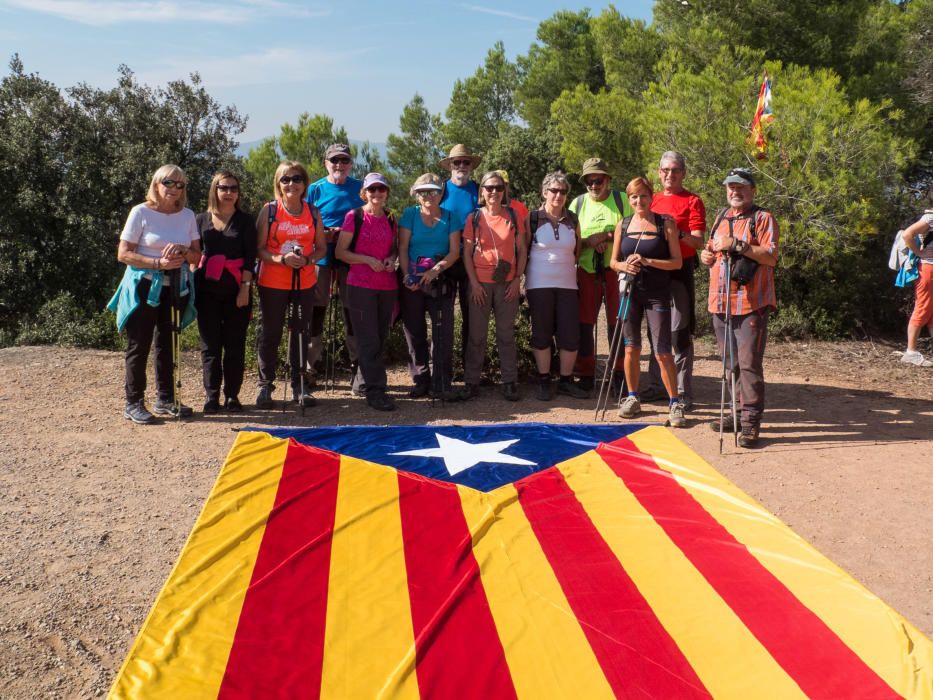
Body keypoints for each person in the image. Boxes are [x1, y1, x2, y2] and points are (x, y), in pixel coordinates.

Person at [109, 164, 201, 423]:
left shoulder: (188, 215)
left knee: (168, 344)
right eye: (168, 183)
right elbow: (123, 253)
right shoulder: (140, 212)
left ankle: (166, 398)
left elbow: (197, 255)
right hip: (144, 286)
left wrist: (183, 250)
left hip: (176, 287)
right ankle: (134, 401)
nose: (174, 189)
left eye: (180, 184)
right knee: (139, 344)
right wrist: (157, 264)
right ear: (156, 183)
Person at [699, 168, 779, 447]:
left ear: (752, 190)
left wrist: (738, 245)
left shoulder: (763, 218)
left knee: (748, 364)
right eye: (731, 187)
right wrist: (706, 255)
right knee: (729, 363)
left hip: (751, 303)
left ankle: (750, 422)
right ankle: (736, 413)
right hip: (719, 301)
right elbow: (710, 250)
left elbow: (770, 256)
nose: (735, 192)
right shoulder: (722, 217)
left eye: (741, 187)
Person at [610, 177, 685, 427]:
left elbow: (677, 262)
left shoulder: (666, 224)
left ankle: (674, 402)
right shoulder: (624, 224)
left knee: (662, 350)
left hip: (657, 294)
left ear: (651, 196)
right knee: (631, 347)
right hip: (630, 292)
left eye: (643, 195)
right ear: (629, 199)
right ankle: (632, 397)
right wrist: (625, 264)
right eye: (634, 196)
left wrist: (648, 262)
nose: (638, 200)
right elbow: (613, 263)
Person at [255, 161, 326, 409]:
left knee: (300, 333)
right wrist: (281, 259)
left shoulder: (313, 213)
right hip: (273, 281)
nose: (291, 184)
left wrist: (307, 259)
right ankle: (265, 386)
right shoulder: (270, 211)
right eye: (285, 179)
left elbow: (321, 249)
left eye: (296, 179)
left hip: (304, 282)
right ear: (278, 183)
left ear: (304, 183)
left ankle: (299, 384)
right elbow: (259, 249)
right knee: (270, 333)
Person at [641, 151, 707, 408]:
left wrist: (675, 232)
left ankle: (682, 392)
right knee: (655, 331)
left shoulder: (693, 201)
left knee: (679, 331)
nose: (670, 174)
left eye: (675, 170)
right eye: (665, 170)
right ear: (659, 173)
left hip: (680, 271)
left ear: (683, 173)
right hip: (654, 270)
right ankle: (657, 386)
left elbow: (698, 241)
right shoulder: (652, 200)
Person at [461, 171, 528, 401]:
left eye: (498, 188)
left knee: (506, 334)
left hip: (507, 284)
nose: (493, 192)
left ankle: (509, 381)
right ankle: (472, 382)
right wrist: (474, 283)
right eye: (489, 187)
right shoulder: (474, 218)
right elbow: (467, 254)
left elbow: (522, 249)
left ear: (504, 191)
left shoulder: (513, 216)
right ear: (482, 191)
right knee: (476, 336)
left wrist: (518, 278)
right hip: (480, 284)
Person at [194, 171, 257, 414]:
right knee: (210, 346)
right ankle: (211, 396)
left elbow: (250, 259)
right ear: (215, 190)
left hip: (236, 290)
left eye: (233, 188)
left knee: (234, 345)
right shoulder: (200, 220)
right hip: (206, 290)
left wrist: (245, 288)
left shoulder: (245, 221)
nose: (229, 192)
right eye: (224, 188)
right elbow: (194, 254)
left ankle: (232, 395)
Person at [336, 173, 399, 411]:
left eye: (381, 189)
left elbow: (394, 249)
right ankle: (376, 390)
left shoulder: (392, 218)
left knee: (380, 337)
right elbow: (341, 252)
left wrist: (391, 259)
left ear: (387, 193)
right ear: (364, 193)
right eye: (372, 190)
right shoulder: (355, 217)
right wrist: (367, 260)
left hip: (387, 286)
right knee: (367, 338)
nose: (376, 194)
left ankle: (367, 383)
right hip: (360, 285)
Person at [570, 157, 633, 393]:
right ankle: (585, 373)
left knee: (619, 323)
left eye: (598, 180)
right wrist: (588, 241)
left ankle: (620, 373)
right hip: (587, 271)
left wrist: (606, 237)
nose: (594, 185)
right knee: (585, 324)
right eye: (589, 181)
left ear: (608, 180)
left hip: (617, 272)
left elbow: (632, 228)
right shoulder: (576, 204)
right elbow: (572, 238)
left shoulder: (623, 201)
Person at [306, 143, 364, 390]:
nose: (339, 165)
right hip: (320, 255)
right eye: (334, 160)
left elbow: (368, 219)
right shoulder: (314, 189)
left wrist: (346, 233)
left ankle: (358, 368)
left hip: (351, 256)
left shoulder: (360, 188)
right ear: (326, 163)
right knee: (316, 310)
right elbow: (304, 220)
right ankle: (310, 367)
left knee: (352, 311)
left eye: (344, 160)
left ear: (351, 163)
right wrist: (323, 233)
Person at [399, 174, 462, 400]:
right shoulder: (409, 215)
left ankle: (442, 381)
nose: (428, 196)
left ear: (441, 193)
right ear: (416, 194)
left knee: (442, 331)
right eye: (423, 192)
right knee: (414, 330)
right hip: (412, 281)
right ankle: (420, 378)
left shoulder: (451, 218)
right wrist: (407, 276)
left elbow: (455, 251)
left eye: (433, 191)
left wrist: (436, 269)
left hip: (440, 281)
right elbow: (403, 248)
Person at [526, 172, 588, 401]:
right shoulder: (533, 218)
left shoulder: (573, 219)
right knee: (541, 333)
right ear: (544, 192)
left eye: (563, 191)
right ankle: (544, 380)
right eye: (554, 190)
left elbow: (577, 251)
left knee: (570, 334)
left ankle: (565, 381)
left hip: (568, 285)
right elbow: (523, 250)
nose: (558, 195)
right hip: (538, 284)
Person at [439, 144, 482, 363]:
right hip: (445, 260)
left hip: (472, 261)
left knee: (471, 317)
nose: (462, 166)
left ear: (471, 166)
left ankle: (469, 368)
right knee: (443, 317)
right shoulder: (440, 190)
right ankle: (442, 368)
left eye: (466, 162)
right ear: (450, 166)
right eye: (457, 162)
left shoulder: (479, 189)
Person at [900, 208, 933, 365]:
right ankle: (911, 352)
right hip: (928, 269)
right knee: (923, 307)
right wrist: (919, 253)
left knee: (931, 311)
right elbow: (907, 234)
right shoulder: (930, 218)